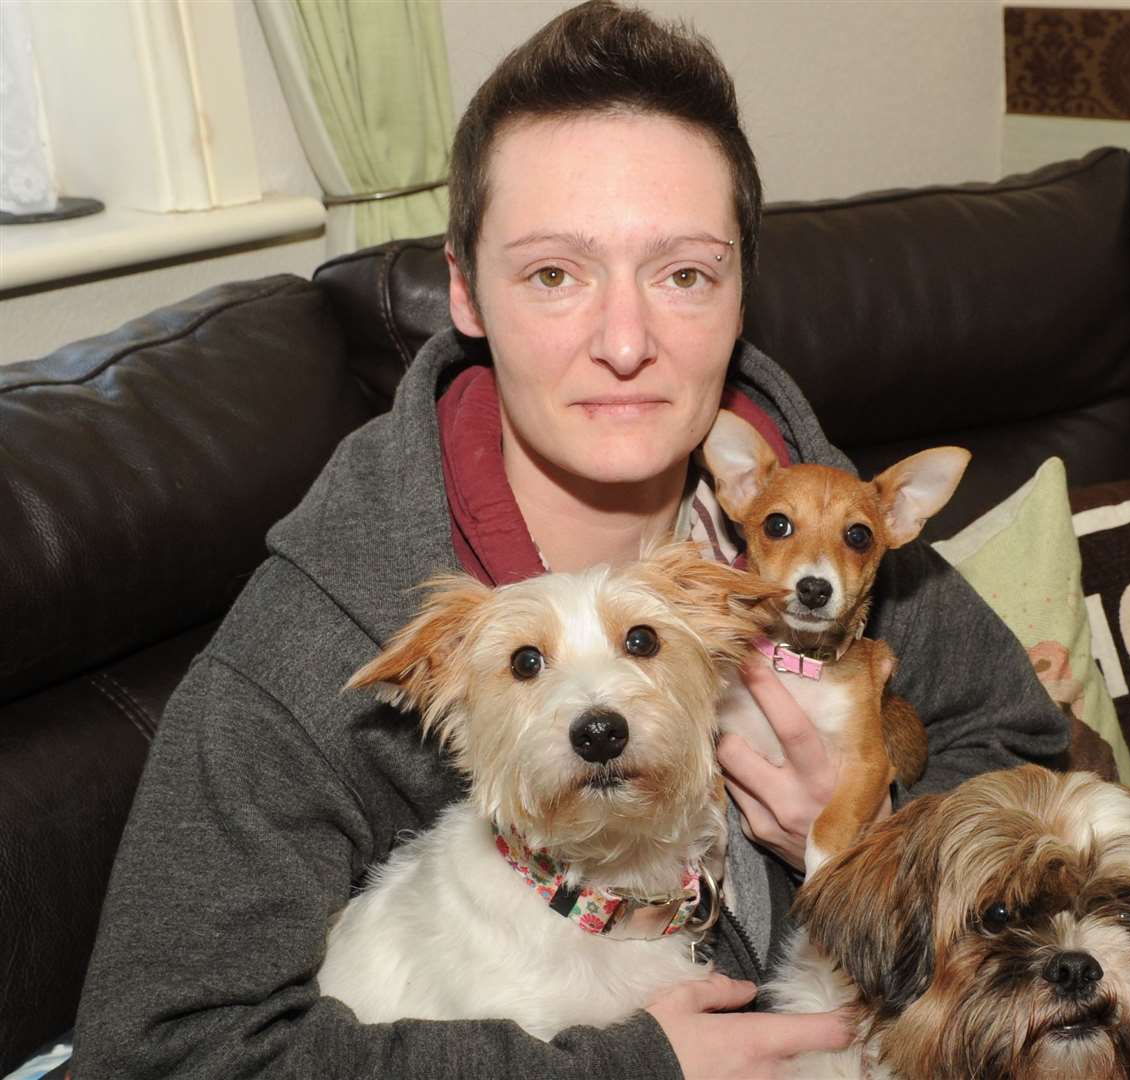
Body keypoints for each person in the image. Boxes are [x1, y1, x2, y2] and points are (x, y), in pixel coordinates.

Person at [72, 3, 1066, 1077]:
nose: (627, 343)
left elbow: (1019, 747)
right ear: (465, 289)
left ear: (741, 293)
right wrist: (626, 1070)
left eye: (684, 273)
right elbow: (161, 1052)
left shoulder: (814, 533)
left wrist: (871, 838)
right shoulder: (316, 637)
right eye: (554, 273)